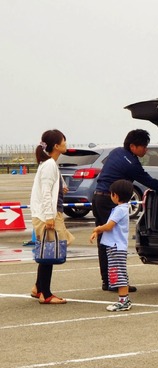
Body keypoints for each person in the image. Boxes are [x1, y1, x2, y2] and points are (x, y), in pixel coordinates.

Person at [92, 129, 158, 292]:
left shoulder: (117, 152)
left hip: (98, 198)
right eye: (143, 147)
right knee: (113, 243)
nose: (145, 150)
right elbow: (148, 181)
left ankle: (108, 281)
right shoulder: (131, 164)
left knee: (104, 243)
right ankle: (114, 282)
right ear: (133, 146)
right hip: (109, 201)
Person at [30, 129, 75, 305]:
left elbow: (51, 184)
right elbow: (47, 192)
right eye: (64, 141)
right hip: (47, 214)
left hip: (48, 213)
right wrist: (49, 217)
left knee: (50, 249)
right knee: (49, 253)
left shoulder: (49, 163)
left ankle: (38, 288)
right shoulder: (49, 164)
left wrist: (62, 185)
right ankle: (46, 294)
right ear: (56, 145)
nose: (66, 144)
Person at [90, 180, 135, 312]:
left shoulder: (119, 210)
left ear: (115, 195)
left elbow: (109, 226)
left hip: (115, 246)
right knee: (119, 273)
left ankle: (123, 301)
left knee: (117, 273)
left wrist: (97, 229)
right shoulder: (122, 209)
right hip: (116, 246)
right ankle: (124, 299)